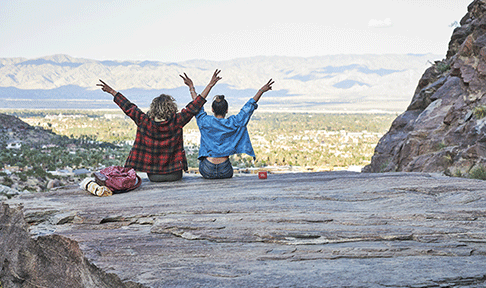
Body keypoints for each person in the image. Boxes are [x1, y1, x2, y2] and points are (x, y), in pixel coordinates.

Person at [97, 70, 221, 182]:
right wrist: (207, 85)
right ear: (171, 107)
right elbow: (196, 105)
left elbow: (128, 107)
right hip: (175, 174)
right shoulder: (177, 121)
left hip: (154, 176)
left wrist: (112, 92)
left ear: (154, 107)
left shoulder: (144, 121)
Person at [180, 73, 274, 179]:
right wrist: (261, 91)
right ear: (227, 110)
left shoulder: (204, 121)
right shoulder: (234, 122)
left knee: (202, 162)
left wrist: (192, 87)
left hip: (207, 169)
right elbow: (248, 108)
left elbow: (196, 105)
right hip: (225, 170)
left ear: (212, 110)